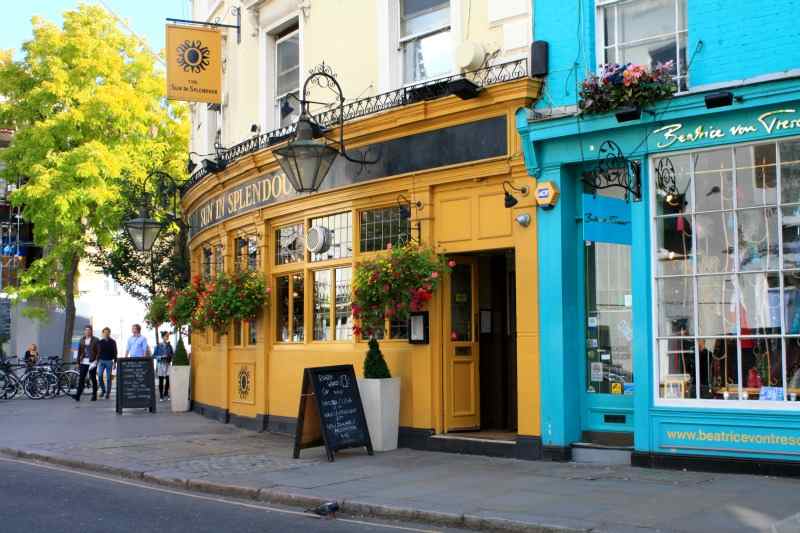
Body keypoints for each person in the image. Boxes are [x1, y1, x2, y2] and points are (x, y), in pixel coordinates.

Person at [73, 325, 99, 402]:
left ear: (91, 331)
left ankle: (94, 395)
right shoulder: (81, 340)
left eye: (89, 330)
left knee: (93, 378)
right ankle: (78, 395)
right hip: (83, 361)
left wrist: (96, 361)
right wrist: (77, 362)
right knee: (81, 378)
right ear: (84, 331)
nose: (87, 331)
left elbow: (98, 351)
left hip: (92, 362)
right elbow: (79, 352)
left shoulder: (96, 340)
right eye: (86, 330)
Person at [97, 327, 117, 399]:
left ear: (109, 333)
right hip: (101, 361)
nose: (106, 333)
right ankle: (103, 390)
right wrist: (97, 361)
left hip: (109, 361)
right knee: (99, 376)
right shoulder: (100, 342)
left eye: (107, 332)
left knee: (108, 378)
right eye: (105, 332)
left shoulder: (113, 342)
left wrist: (115, 362)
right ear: (103, 333)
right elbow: (98, 352)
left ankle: (108, 393)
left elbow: (115, 352)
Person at [154, 331, 173, 401]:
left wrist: (169, 357)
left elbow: (172, 354)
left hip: (167, 363)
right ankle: (161, 395)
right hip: (160, 364)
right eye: (166, 336)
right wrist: (161, 357)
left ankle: (166, 392)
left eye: (168, 336)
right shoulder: (158, 346)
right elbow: (154, 355)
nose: (167, 337)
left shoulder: (169, 345)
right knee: (161, 380)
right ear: (162, 337)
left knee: (168, 379)